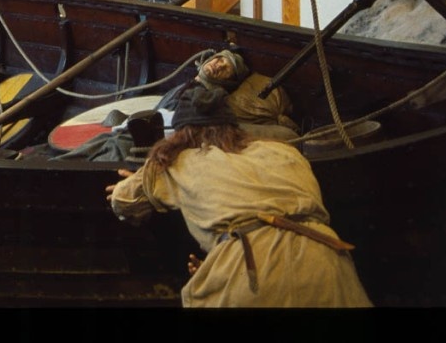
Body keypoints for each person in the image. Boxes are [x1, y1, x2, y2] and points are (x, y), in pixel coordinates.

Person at [106, 85, 371, 307]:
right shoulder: (285, 152)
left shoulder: (176, 161)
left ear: (181, 134)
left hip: (254, 270)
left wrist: (143, 181)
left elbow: (123, 201)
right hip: (327, 261)